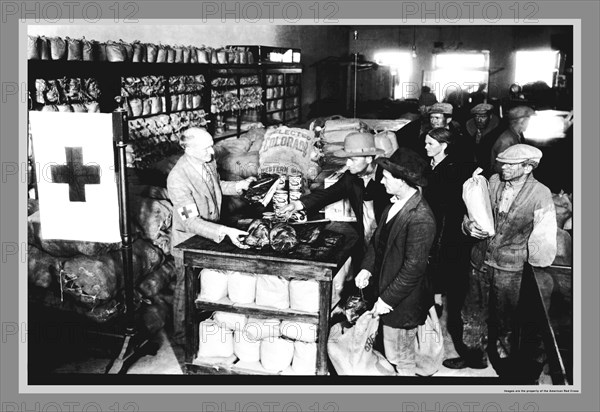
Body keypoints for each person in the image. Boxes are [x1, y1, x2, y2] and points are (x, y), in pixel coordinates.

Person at [445, 144, 557, 381]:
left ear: (528, 167)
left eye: (509, 164)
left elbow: (544, 238)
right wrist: (467, 225)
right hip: (479, 260)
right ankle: (475, 357)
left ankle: (505, 364)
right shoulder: (492, 181)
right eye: (501, 162)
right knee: (471, 313)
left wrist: (536, 268)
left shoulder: (541, 194)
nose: (502, 167)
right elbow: (470, 212)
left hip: (511, 269)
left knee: (507, 320)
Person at [167, 127, 255, 343]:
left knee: (207, 283)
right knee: (186, 286)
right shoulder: (178, 178)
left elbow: (216, 186)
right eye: (205, 148)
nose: (211, 152)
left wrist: (239, 186)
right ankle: (182, 335)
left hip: (210, 231)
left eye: (211, 146)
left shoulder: (207, 162)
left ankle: (205, 325)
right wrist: (224, 231)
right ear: (189, 149)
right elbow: (190, 221)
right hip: (188, 239)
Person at [354, 148, 436, 376]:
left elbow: (414, 268)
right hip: (385, 286)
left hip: (402, 298)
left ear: (402, 181)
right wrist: (366, 268)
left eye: (387, 177)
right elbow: (376, 243)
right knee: (391, 349)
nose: (381, 181)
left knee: (402, 355)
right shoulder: (393, 205)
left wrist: (387, 300)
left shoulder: (420, 217)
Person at [279, 131, 390, 252]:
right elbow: (328, 194)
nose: (348, 163)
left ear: (369, 158)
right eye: (347, 159)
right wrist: (296, 204)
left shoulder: (389, 179)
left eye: (353, 159)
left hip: (389, 241)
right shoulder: (351, 178)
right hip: (367, 238)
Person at [422, 128, 475, 328]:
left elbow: (449, 205)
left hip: (444, 226)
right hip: (431, 221)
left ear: (443, 146)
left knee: (440, 264)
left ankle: (437, 301)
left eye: (430, 144)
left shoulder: (451, 169)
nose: (426, 147)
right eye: (426, 143)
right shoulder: (430, 164)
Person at [489, 106, 534, 174]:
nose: (529, 124)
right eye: (528, 121)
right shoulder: (507, 140)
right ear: (521, 122)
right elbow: (499, 167)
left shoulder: (517, 135)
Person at [465, 103, 502, 177]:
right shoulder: (468, 128)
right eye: (476, 116)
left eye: (483, 117)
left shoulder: (498, 132)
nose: (479, 120)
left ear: (490, 116)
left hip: (490, 171)